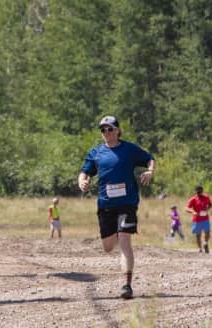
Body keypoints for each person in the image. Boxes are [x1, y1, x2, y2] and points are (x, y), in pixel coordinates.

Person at [78, 114, 155, 300]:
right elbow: (84, 172)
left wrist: (150, 171)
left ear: (118, 130)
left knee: (124, 241)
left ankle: (127, 285)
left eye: (110, 128)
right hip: (106, 206)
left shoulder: (129, 149)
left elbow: (149, 158)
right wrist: (82, 181)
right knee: (108, 246)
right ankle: (112, 237)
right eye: (103, 129)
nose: (106, 132)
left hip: (127, 204)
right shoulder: (96, 153)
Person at [186, 185, 212, 253]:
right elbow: (186, 208)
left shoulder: (206, 197)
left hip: (205, 218)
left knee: (208, 232)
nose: (199, 193)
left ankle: (205, 243)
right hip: (197, 220)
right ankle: (200, 248)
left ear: (202, 191)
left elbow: (210, 205)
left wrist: (207, 209)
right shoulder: (193, 199)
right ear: (196, 192)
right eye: (198, 192)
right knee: (198, 235)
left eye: (200, 192)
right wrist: (193, 212)